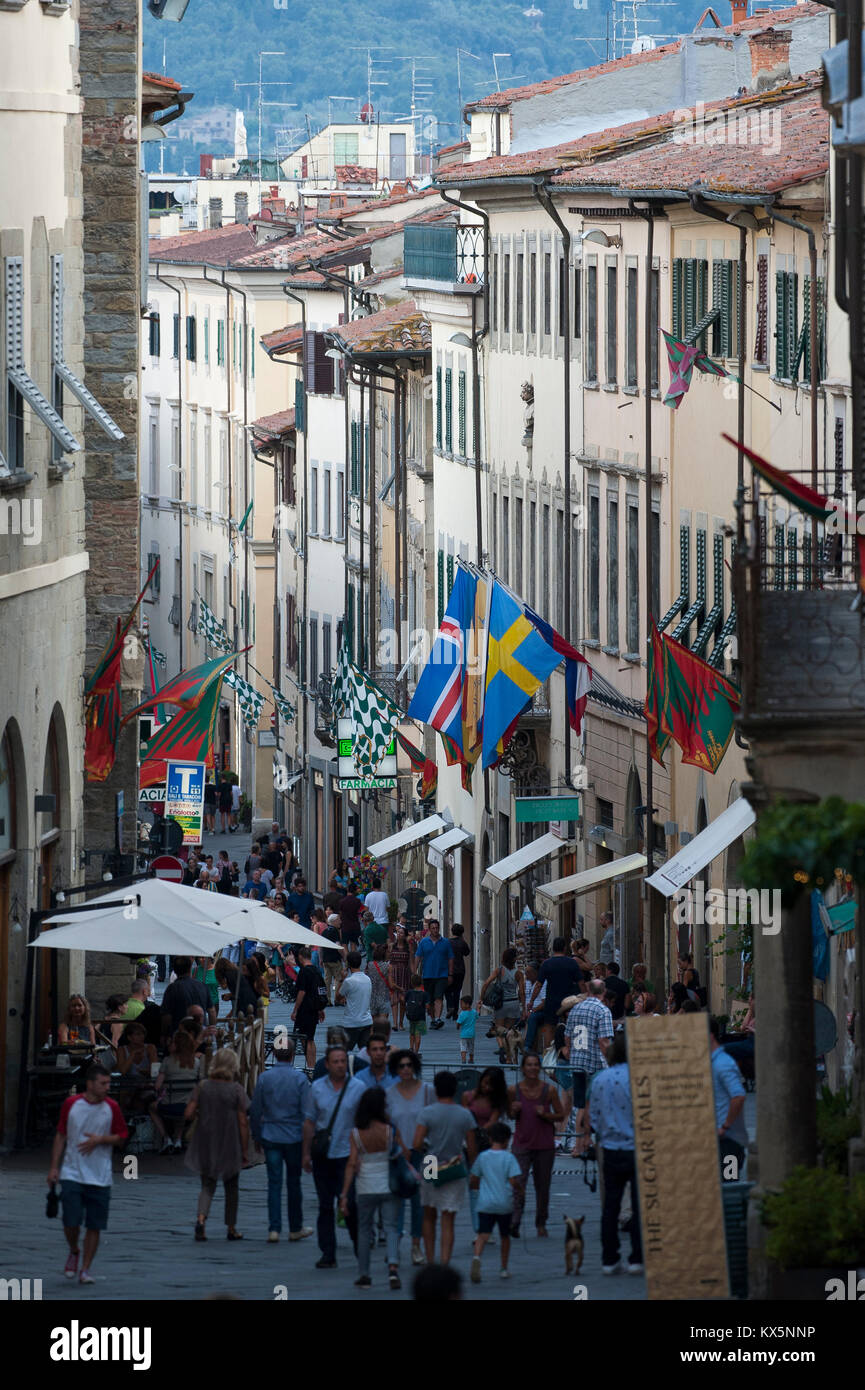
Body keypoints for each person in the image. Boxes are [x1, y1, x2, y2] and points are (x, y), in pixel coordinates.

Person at [47, 1063, 128, 1285]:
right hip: (72, 1171)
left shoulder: (112, 1107)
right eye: (103, 1083)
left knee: (95, 1225)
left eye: (109, 1083)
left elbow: (122, 1137)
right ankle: (74, 1249)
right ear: (90, 1084)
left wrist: (100, 1140)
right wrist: (54, 1167)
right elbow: (61, 1135)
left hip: (100, 1175)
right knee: (70, 1220)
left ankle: (85, 1268)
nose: (107, 1087)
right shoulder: (72, 1104)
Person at [586, 1031, 643, 1274]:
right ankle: (637, 1257)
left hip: (610, 1148)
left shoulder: (600, 1080)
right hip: (636, 1148)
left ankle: (609, 1258)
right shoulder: (638, 1079)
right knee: (639, 1206)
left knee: (610, 1206)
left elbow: (594, 1117)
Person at [302, 1045, 365, 1268]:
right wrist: (306, 1153)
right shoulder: (317, 1088)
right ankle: (328, 1252)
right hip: (324, 1155)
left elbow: (362, 1123)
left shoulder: (358, 1088)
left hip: (348, 1155)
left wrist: (362, 1154)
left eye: (342, 1061)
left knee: (352, 1205)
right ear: (327, 1065)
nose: (339, 1065)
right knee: (325, 1205)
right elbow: (309, 1121)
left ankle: (360, 1245)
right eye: (335, 1061)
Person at [249, 1036, 313, 1243]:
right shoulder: (300, 1080)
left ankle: (274, 1228)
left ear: (274, 1054)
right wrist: (307, 1146)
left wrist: (257, 1136)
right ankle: (295, 1227)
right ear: (293, 1055)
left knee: (274, 1182)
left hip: (270, 1134)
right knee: (294, 1183)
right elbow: (306, 1115)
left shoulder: (265, 1078)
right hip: (293, 1137)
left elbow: (256, 1109)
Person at [184, 1048, 250, 1240]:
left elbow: (188, 1113)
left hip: (206, 1139)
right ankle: (231, 1227)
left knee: (207, 1184)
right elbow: (243, 1122)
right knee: (232, 1186)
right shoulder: (236, 1089)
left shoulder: (203, 1086)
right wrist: (245, 1149)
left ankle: (201, 1219)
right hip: (229, 1140)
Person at [340, 1087, 402, 1290]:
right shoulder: (390, 1130)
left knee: (365, 1231)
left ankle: (364, 1272)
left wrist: (344, 1194)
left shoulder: (356, 1133)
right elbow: (404, 1154)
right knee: (391, 1227)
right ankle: (393, 1267)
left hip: (365, 1185)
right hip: (388, 1183)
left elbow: (351, 1163)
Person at [413, 1071, 477, 1266]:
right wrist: (473, 1169)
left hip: (431, 1162)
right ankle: (445, 1261)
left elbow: (416, 1143)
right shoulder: (464, 1114)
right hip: (455, 1163)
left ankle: (431, 1260)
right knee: (448, 1217)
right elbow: (472, 1146)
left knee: (429, 1214)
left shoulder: (427, 1113)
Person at [507, 1050, 563, 1239]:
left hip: (544, 1144)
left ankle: (541, 1222)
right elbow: (509, 1114)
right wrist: (513, 1111)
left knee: (543, 1185)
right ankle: (515, 1220)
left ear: (539, 1067)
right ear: (523, 1068)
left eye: (535, 1065)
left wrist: (546, 1115)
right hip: (521, 1143)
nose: (532, 1068)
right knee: (518, 1182)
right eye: (529, 1065)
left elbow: (561, 1114)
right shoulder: (514, 1091)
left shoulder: (550, 1090)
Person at [387, 1050, 434, 1267]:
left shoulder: (427, 1091)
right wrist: (400, 1145)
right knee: (395, 1203)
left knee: (419, 1202)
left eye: (409, 1065)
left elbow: (433, 1122)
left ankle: (416, 1245)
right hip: (398, 1154)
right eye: (401, 1066)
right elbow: (388, 1125)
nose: (405, 1069)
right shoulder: (389, 1093)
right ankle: (394, 1248)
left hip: (422, 1154)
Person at [469, 1122, 521, 1283]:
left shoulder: (482, 1157)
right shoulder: (509, 1157)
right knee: (505, 1236)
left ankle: (477, 1258)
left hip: (485, 1202)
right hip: (504, 1203)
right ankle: (504, 1268)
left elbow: (474, 1178)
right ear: (508, 1140)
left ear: (490, 1138)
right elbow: (513, 1181)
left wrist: (477, 1190)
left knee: (483, 1235)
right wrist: (520, 1191)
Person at [564, 981, 614, 1147]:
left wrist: (572, 1054)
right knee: (591, 1104)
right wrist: (611, 1061)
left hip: (578, 1062)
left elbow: (567, 1036)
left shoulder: (576, 1008)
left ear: (588, 990)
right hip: (595, 1064)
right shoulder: (602, 1010)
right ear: (603, 991)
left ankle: (576, 1142)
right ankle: (585, 1141)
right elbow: (603, 1040)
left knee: (579, 1103)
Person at [150, 1028, 201, 1153]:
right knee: (184, 1107)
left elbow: (157, 1086)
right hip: (188, 1105)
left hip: (169, 1104)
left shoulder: (167, 1061)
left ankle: (166, 1138)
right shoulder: (197, 1062)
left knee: (151, 1108)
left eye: (172, 1042)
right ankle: (177, 1139)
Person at [710, 1017, 748, 1180]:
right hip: (722, 1140)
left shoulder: (722, 1063)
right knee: (723, 1187)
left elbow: (738, 1096)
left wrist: (724, 1127)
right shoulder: (714, 1062)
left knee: (730, 1185)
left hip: (729, 1142)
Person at [414, 919, 453, 1030]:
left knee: (438, 997)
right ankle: (432, 1019)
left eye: (437, 928)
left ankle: (437, 1019)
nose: (435, 930)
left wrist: (450, 974)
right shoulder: (423, 942)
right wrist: (415, 972)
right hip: (427, 975)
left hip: (442, 974)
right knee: (429, 1000)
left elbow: (450, 959)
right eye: (433, 928)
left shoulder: (445, 942)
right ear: (429, 929)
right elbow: (418, 957)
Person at [291, 945, 325, 1068]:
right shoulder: (316, 970)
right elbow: (319, 990)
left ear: (300, 957)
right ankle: (312, 1065)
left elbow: (302, 992)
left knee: (304, 1038)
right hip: (315, 1008)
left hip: (305, 1009)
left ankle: (311, 1066)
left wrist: (295, 1010)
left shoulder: (304, 972)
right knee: (310, 1038)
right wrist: (320, 1008)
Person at [114, 1022, 158, 1116]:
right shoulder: (122, 1050)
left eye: (142, 1034)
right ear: (129, 1037)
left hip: (146, 1082)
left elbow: (154, 1071)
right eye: (138, 1034)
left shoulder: (150, 1048)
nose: (141, 1037)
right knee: (126, 1092)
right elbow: (123, 1071)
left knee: (145, 1094)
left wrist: (146, 1072)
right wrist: (132, 1054)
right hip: (128, 1083)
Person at [161, 956, 213, 1033]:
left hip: (180, 1033)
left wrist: (165, 1034)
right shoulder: (202, 986)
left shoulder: (172, 988)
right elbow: (212, 1011)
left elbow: (166, 1016)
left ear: (174, 970)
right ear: (190, 969)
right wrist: (212, 1030)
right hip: (200, 1032)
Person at [483, 948, 525, 1043]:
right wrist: (524, 1008)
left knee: (499, 1029)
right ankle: (508, 1050)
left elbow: (486, 983)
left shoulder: (499, 970)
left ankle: (502, 1048)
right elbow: (521, 992)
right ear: (514, 959)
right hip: (514, 1003)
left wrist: (482, 998)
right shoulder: (519, 973)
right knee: (508, 1029)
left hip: (501, 1004)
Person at [336, 951, 373, 1050]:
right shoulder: (367, 979)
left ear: (348, 964)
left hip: (351, 1022)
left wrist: (341, 979)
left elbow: (337, 997)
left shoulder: (348, 981)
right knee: (365, 1053)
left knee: (343, 1051)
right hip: (366, 1021)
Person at [388, 926, 411, 1031]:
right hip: (394, 972)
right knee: (394, 999)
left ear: (405, 935)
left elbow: (411, 961)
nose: (399, 935)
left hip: (405, 974)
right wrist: (389, 973)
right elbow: (388, 960)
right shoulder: (392, 946)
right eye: (398, 933)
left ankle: (401, 1022)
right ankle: (395, 1023)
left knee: (403, 999)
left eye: (402, 933)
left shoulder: (409, 947)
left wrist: (413, 974)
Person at [445, 924, 470, 1020]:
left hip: (449, 970)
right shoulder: (462, 943)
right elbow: (467, 952)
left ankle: (450, 1006)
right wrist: (462, 939)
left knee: (447, 990)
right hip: (460, 970)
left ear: (452, 931)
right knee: (457, 991)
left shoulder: (447, 942)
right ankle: (455, 1012)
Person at [320, 915, 345, 1005]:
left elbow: (320, 947)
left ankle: (327, 1000)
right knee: (339, 979)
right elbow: (338, 946)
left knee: (327, 980)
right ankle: (338, 999)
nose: (340, 922)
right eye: (339, 920)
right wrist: (344, 957)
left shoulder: (324, 932)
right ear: (334, 921)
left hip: (326, 959)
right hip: (335, 959)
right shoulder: (335, 931)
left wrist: (321, 958)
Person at [366, 943, 393, 1019]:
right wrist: (399, 989)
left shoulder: (369, 965)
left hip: (372, 999)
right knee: (382, 1027)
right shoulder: (388, 966)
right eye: (388, 952)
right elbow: (391, 985)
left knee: (373, 1026)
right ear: (383, 953)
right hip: (384, 998)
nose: (389, 953)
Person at [404, 975, 427, 1055]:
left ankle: (411, 1047)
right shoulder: (424, 994)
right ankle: (416, 1051)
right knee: (418, 1035)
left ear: (412, 983)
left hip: (411, 1017)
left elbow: (404, 1000)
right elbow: (427, 1005)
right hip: (421, 1018)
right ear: (421, 983)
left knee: (412, 1033)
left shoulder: (409, 992)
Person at [338, 883, 364, 947]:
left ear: (348, 890)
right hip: (355, 926)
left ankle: (346, 956)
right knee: (353, 944)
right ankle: (353, 957)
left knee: (345, 945)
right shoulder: (357, 901)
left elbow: (340, 914)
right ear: (354, 891)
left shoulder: (342, 901)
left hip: (345, 926)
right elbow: (362, 911)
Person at [457, 995, 479, 1064]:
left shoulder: (462, 1014)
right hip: (472, 1034)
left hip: (464, 1034)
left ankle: (463, 1060)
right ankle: (471, 1059)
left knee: (463, 1047)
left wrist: (458, 1027)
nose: (461, 1006)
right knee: (471, 1047)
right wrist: (478, 1007)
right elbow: (477, 1014)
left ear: (467, 1004)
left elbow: (458, 1023)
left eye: (462, 1004)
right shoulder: (474, 1012)